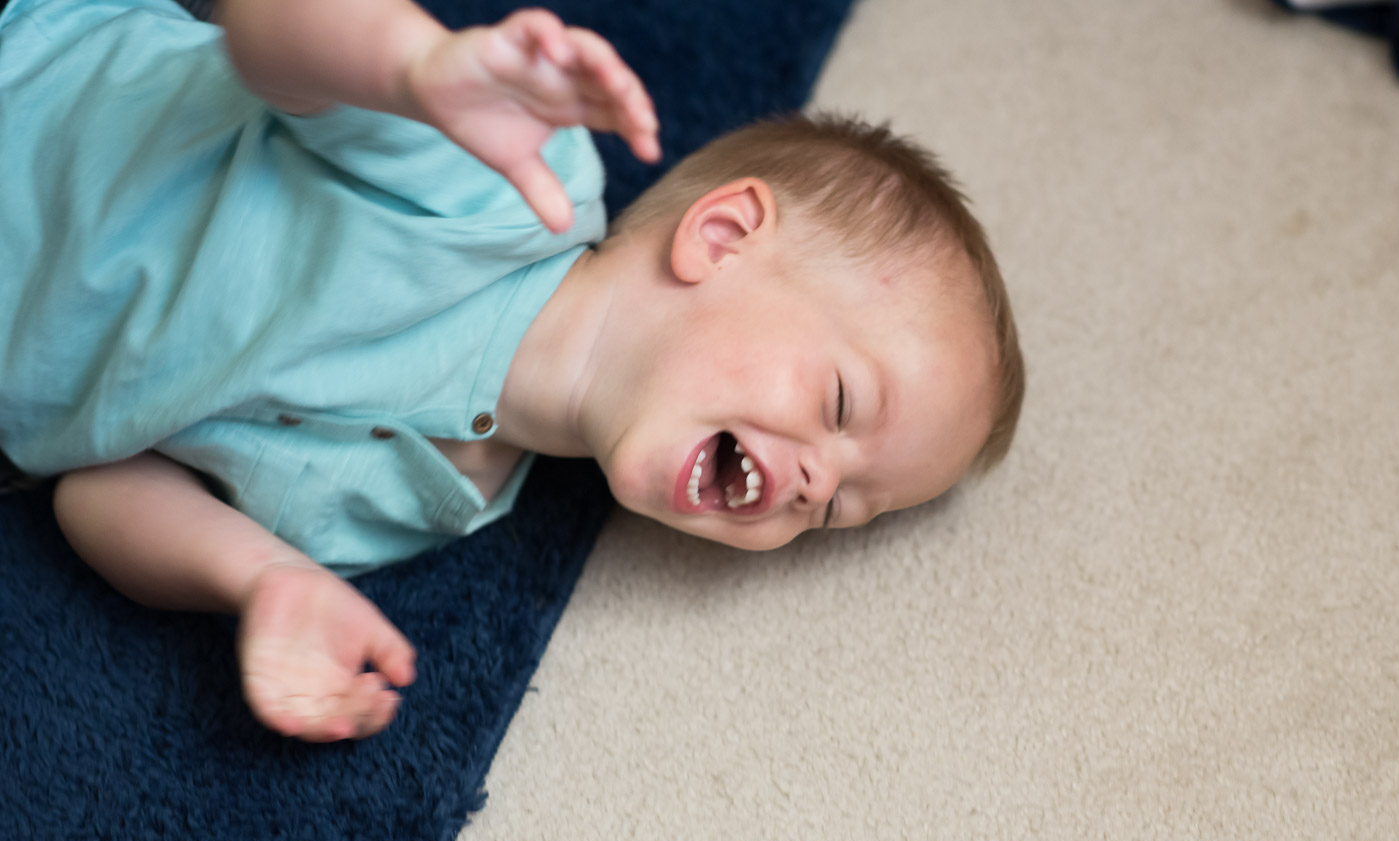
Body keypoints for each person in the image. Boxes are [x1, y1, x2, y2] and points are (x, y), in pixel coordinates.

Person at [0, 0, 1025, 742]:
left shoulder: (442, 504)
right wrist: (414, 67)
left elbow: (101, 484)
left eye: (840, 508)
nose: (813, 483)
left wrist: (259, 579)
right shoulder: (507, 195)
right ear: (718, 236)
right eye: (840, 405)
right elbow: (266, 29)